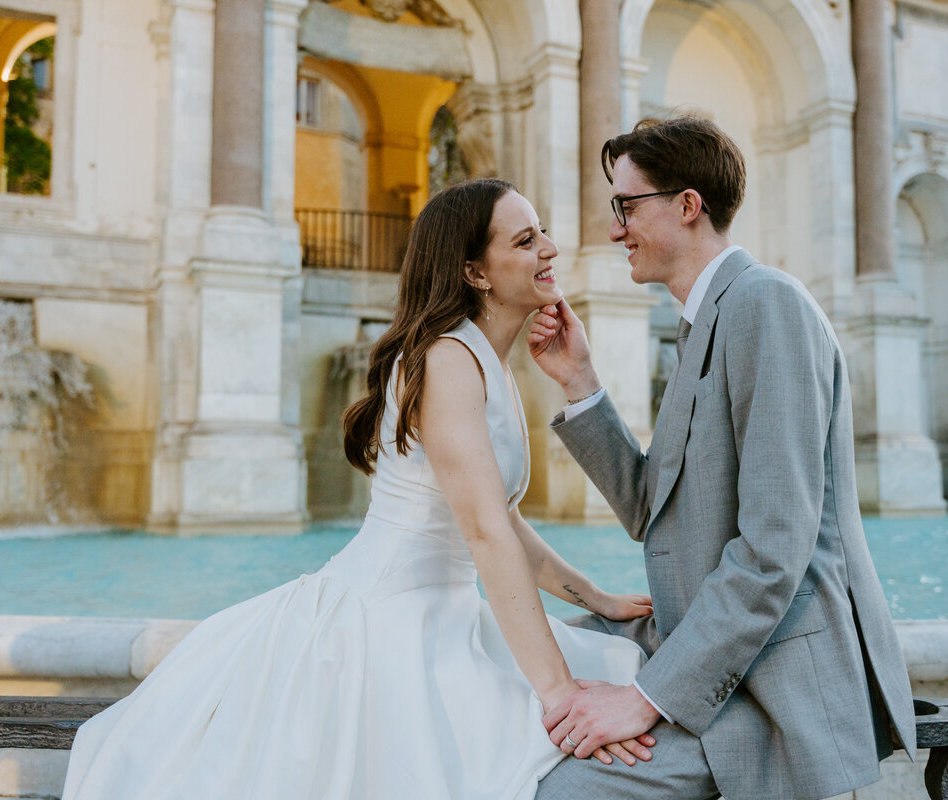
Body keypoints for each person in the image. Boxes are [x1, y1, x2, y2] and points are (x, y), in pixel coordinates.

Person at [62, 179, 657, 800]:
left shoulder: (488, 360)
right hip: (388, 625)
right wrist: (559, 693)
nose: (551, 249)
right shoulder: (448, 360)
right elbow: (483, 531)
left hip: (442, 615)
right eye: (526, 239)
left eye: (542, 234)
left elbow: (500, 518)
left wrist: (596, 596)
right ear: (475, 271)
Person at [529, 117, 916, 800]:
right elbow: (654, 508)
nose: (615, 229)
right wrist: (578, 381)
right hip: (711, 662)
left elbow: (773, 551)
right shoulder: (708, 319)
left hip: (769, 696)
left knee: (560, 790)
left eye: (626, 206)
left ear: (686, 205)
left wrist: (647, 696)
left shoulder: (767, 304)